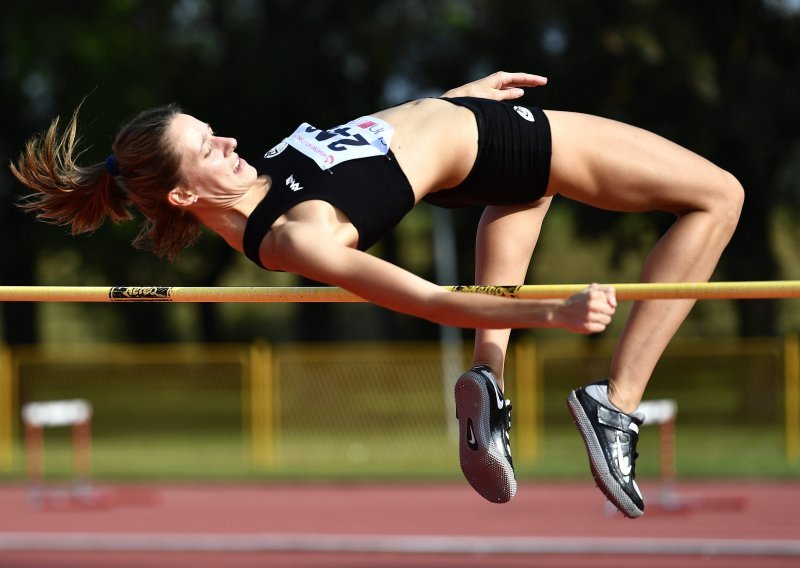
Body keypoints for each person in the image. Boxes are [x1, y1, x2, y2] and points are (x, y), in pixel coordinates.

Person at [10, 71, 742, 518]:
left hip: (475, 140)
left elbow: (372, 137)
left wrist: (449, 99)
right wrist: (552, 311)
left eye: (213, 133)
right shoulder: (297, 233)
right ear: (180, 192)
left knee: (532, 193)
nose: (228, 142)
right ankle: (617, 402)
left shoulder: (263, 177)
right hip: (501, 143)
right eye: (209, 149)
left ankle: (489, 374)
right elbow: (426, 298)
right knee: (719, 196)